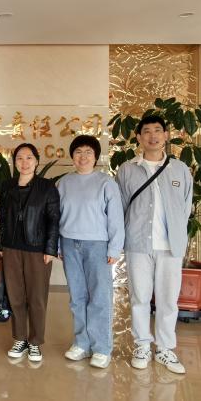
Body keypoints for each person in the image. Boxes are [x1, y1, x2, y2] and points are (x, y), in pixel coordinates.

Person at [116, 115, 193, 374]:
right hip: (138, 243)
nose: (153, 136)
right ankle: (141, 345)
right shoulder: (127, 169)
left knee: (168, 299)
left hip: (170, 246)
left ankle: (165, 349)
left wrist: (178, 234)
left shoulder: (180, 169)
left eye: (158, 130)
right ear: (138, 137)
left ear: (166, 135)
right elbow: (121, 207)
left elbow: (186, 206)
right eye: (146, 131)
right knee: (139, 297)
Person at [58, 134, 124, 368]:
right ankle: (82, 343)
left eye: (88, 152)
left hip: (97, 245)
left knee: (99, 297)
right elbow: (56, 217)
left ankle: (101, 348)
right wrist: (58, 245)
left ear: (96, 157)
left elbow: (116, 218)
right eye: (78, 152)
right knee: (77, 296)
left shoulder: (106, 183)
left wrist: (115, 247)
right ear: (72, 157)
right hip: (69, 244)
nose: (83, 156)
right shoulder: (63, 183)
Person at [0, 143, 60, 363]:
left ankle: (35, 342)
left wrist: (50, 249)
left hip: (37, 250)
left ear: (36, 161)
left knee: (37, 298)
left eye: (29, 158)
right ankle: (20, 339)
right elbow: (2, 218)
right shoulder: (7, 186)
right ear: (14, 162)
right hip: (12, 248)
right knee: (15, 296)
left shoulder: (47, 187)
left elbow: (54, 219)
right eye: (19, 158)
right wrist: (1, 246)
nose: (24, 163)